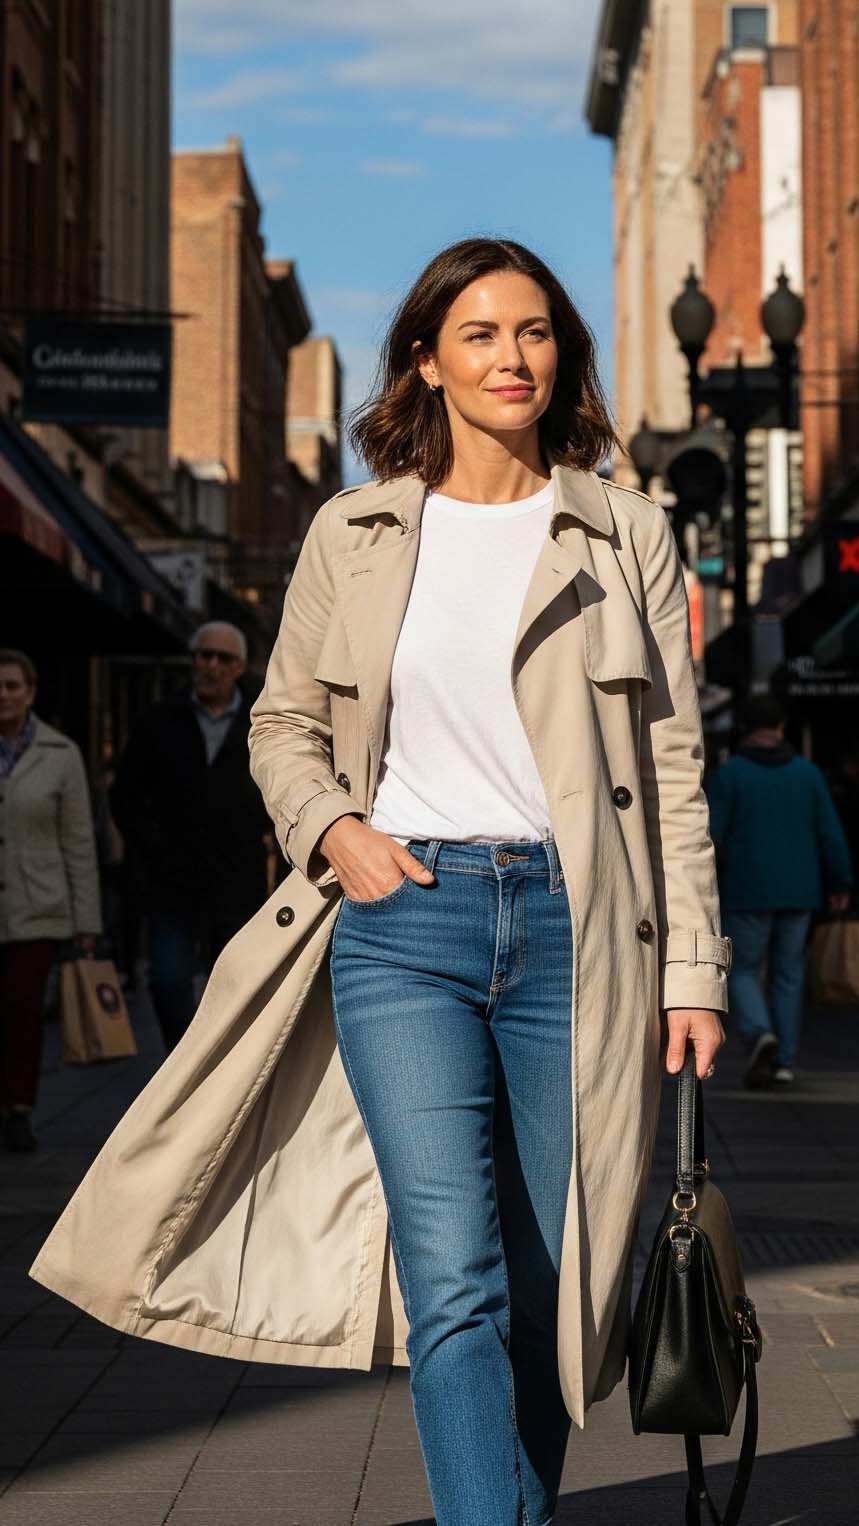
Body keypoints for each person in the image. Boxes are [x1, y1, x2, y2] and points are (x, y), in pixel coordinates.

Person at [30, 239, 730, 1526]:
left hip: (577, 932)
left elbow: (671, 765)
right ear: (427, 356)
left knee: (543, 1282)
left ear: (561, 353)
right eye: (478, 333)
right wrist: (335, 828)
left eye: (533, 332)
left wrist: (694, 966)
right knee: (451, 1272)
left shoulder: (626, 530)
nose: (510, 357)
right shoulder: (353, 532)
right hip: (404, 921)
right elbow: (282, 724)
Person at [109, 622, 269, 1052]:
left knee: (238, 986)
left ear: (239, 667)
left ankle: (220, 1073)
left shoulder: (263, 721)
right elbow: (125, 798)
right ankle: (182, 1064)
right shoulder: (159, 720)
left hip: (238, 883)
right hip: (171, 884)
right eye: (203, 655)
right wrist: (155, 850)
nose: (210, 665)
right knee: (168, 982)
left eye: (222, 658)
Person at [705, 693, 852, 1089]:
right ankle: (785, 1060)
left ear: (745, 728)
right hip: (800, 891)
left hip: (747, 889)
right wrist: (840, 882)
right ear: (781, 727)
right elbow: (829, 832)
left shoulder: (731, 775)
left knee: (744, 970)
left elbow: (711, 836)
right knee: (789, 975)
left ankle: (759, 1031)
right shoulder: (808, 773)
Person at [0, 649, 101, 1151]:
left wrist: (87, 921)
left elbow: (78, 839)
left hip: (38, 904)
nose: (4, 695)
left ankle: (19, 1108)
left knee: (23, 1009)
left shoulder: (61, 755)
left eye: (13, 686)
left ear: (31, 693)